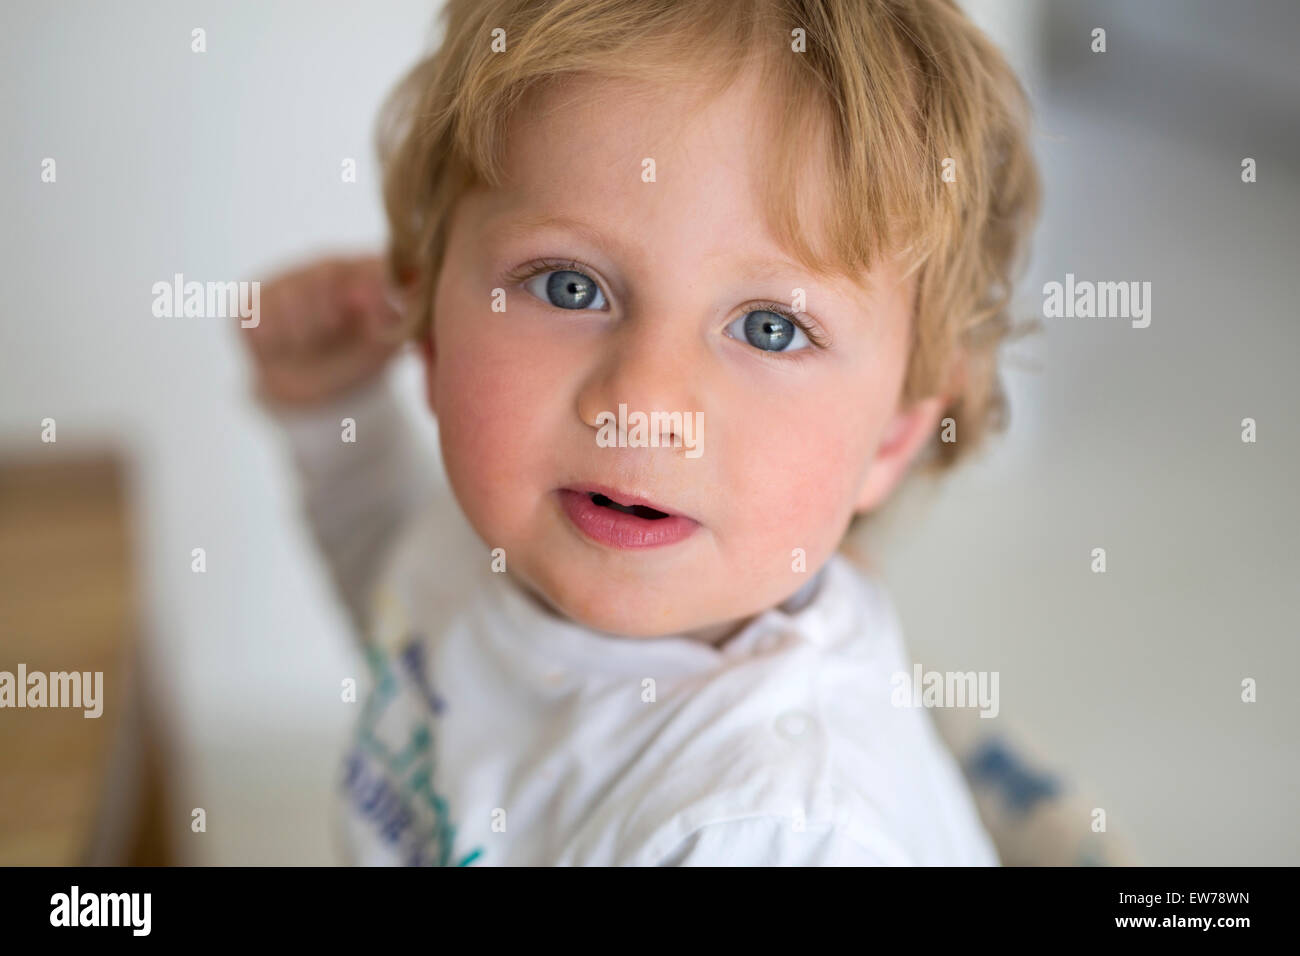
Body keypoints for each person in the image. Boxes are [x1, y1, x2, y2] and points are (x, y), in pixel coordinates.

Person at [242, 0, 1042, 865]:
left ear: (892, 439)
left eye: (770, 327)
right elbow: (406, 617)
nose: (643, 404)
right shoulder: (509, 537)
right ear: (429, 324)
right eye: (568, 287)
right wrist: (334, 415)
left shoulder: (762, 832)